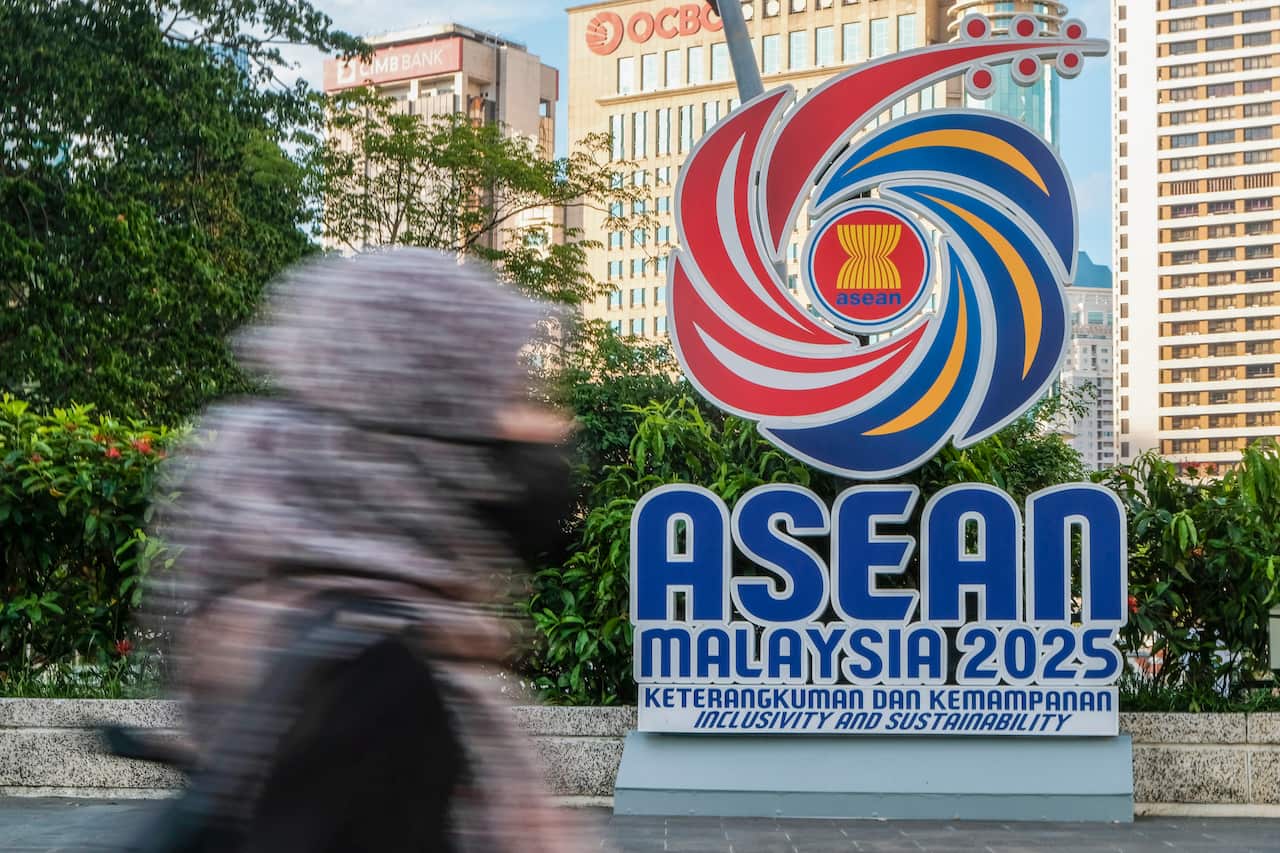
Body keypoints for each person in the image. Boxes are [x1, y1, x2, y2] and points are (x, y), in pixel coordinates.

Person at [124, 249, 586, 852]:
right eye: (496, 388)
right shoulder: (383, 677)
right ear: (426, 406)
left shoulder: (257, 541)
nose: (533, 422)